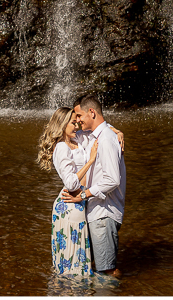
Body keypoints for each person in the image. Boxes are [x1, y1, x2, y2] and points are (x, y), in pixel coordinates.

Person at [61, 94, 126, 278]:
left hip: (103, 212)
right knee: (101, 266)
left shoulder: (105, 139)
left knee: (108, 270)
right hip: (97, 211)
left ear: (91, 112)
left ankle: (118, 292)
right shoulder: (94, 135)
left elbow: (112, 179)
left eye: (79, 116)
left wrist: (82, 195)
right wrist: (114, 128)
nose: (78, 121)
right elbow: (64, 129)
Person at [37, 107, 97, 277]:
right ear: (63, 125)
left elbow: (98, 129)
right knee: (72, 259)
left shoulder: (76, 140)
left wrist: (116, 131)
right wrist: (91, 161)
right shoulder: (62, 148)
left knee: (78, 255)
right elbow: (70, 183)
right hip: (70, 204)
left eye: (77, 121)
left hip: (79, 200)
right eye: (73, 122)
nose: (77, 124)